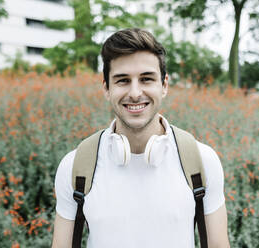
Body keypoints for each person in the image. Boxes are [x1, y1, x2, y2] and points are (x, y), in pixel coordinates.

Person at [51, 28, 230, 248]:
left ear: (164, 85)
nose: (135, 92)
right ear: (106, 88)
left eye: (146, 79)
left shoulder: (202, 161)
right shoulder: (75, 166)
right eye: (123, 80)